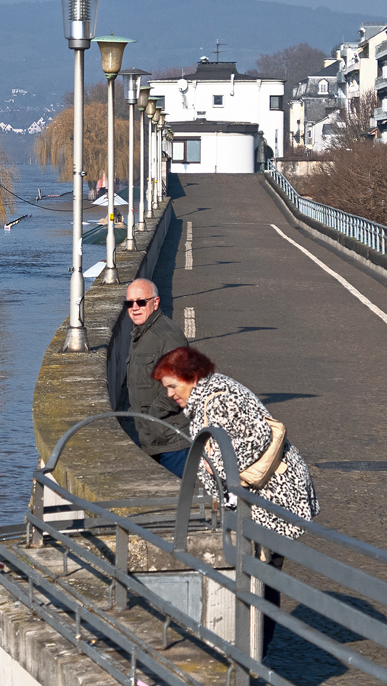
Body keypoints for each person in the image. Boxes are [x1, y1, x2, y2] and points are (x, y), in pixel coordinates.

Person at [152, 345, 320, 654]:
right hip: (267, 499)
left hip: (273, 500)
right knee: (263, 574)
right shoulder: (211, 394)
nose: (170, 394)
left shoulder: (217, 401)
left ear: (189, 377)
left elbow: (252, 443)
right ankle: (255, 650)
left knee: (264, 575)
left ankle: (257, 653)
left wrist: (212, 465)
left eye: (172, 386)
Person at [121, 278, 190, 476]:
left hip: (173, 442)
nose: (135, 308)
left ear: (156, 302)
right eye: (129, 303)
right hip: (151, 439)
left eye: (141, 302)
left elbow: (180, 383)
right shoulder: (142, 334)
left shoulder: (167, 336)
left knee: (180, 501)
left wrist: (152, 416)